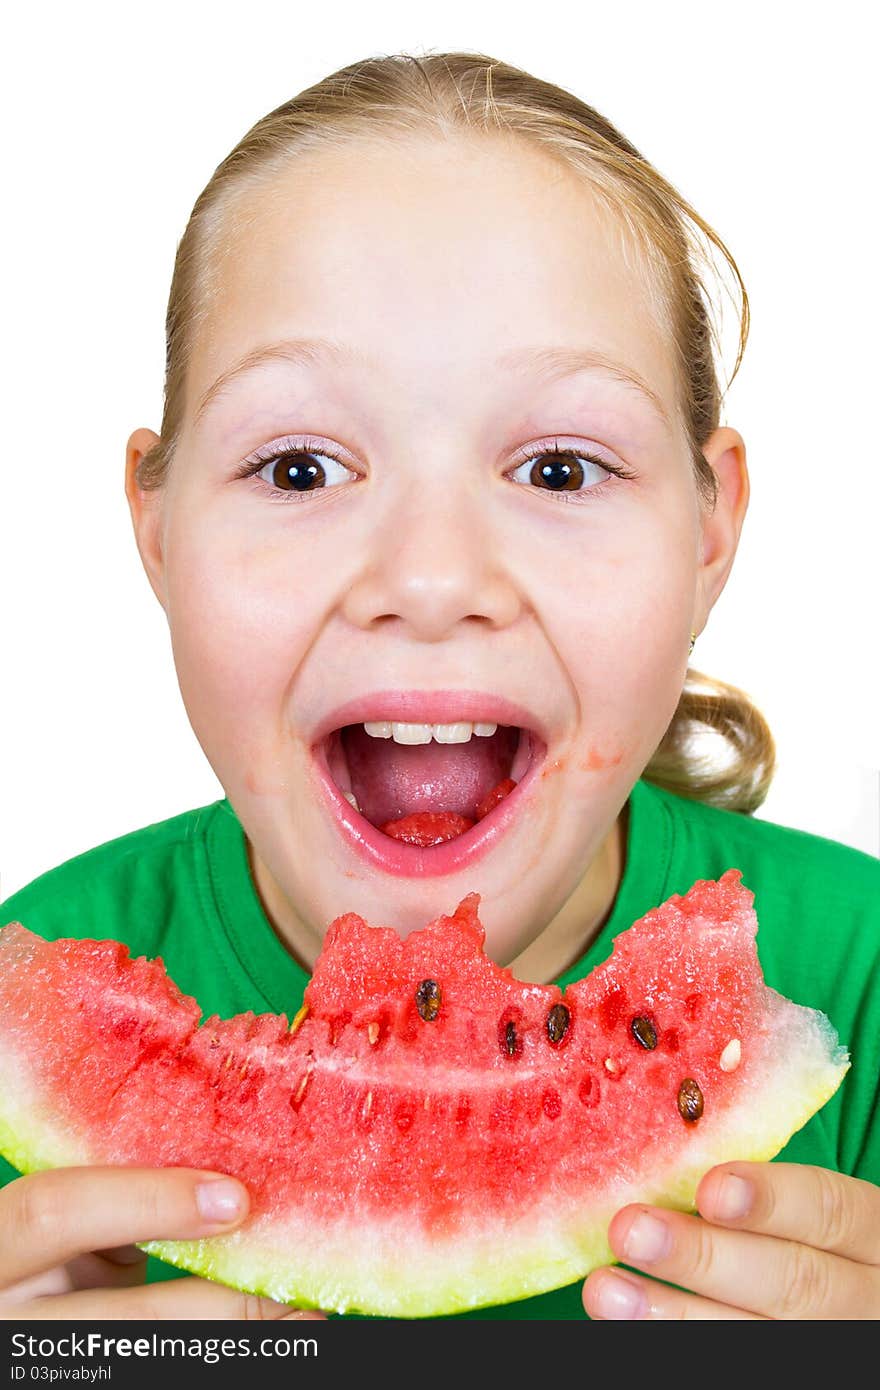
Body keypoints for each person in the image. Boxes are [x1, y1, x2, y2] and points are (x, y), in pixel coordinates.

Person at [1, 50, 878, 1323]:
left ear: (707, 529)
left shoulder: (853, 980)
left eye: (561, 470)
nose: (426, 578)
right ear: (155, 527)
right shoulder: (17, 1023)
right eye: (299, 469)